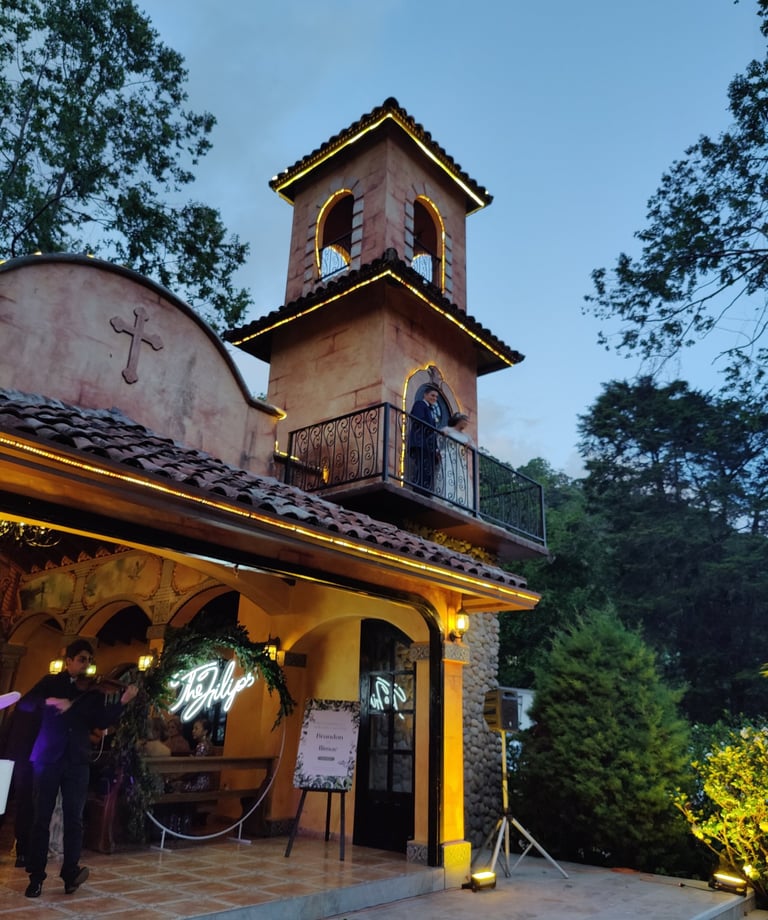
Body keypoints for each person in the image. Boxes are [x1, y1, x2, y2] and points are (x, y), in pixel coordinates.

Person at [16, 639, 138, 899]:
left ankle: (70, 874)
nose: (86, 665)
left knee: (74, 820)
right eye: (82, 659)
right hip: (48, 758)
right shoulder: (50, 682)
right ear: (69, 660)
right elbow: (25, 704)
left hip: (77, 762)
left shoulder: (92, 692)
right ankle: (36, 877)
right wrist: (51, 701)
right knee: (41, 819)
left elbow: (102, 721)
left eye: (89, 661)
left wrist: (123, 701)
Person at [408, 385, 441, 493]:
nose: (434, 399)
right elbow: (419, 420)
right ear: (425, 395)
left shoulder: (430, 409)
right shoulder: (420, 404)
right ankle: (419, 490)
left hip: (428, 444)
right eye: (432, 395)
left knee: (427, 469)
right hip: (420, 441)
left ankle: (425, 490)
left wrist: (436, 448)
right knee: (422, 466)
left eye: (436, 397)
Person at [439, 412, 476, 506]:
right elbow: (438, 439)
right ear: (459, 421)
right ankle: (447, 499)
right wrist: (438, 451)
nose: (467, 424)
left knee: (460, 480)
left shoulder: (466, 436)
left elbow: (475, 448)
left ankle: (459, 501)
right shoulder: (448, 430)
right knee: (448, 477)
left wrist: (469, 445)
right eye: (465, 421)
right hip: (449, 457)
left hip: (460, 460)